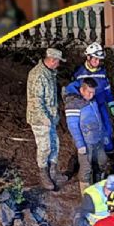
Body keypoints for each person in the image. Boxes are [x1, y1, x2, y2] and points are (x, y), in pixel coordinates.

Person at [27, 47, 67, 190]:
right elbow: (36, 101)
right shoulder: (38, 74)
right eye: (58, 61)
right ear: (52, 60)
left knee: (55, 144)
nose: (59, 64)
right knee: (45, 147)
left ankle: (53, 172)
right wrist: (45, 118)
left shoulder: (50, 73)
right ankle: (43, 173)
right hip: (40, 119)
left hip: (50, 117)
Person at [73, 42, 114, 153]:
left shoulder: (102, 73)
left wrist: (112, 104)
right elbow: (75, 93)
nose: (97, 62)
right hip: (86, 108)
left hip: (101, 105)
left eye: (99, 60)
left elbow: (107, 90)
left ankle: (108, 152)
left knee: (106, 128)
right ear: (88, 57)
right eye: (95, 59)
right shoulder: (79, 74)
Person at [64, 78, 109, 185]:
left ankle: (99, 187)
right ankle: (86, 194)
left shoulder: (92, 100)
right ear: (82, 90)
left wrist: (104, 135)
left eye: (93, 92)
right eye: (89, 92)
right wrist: (80, 144)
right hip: (86, 141)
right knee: (86, 168)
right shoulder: (73, 103)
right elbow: (73, 126)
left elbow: (98, 120)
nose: (91, 95)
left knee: (102, 162)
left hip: (97, 139)